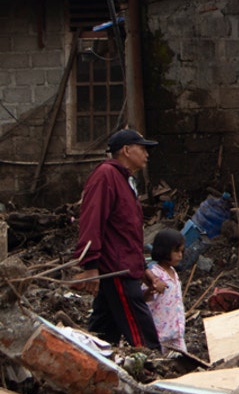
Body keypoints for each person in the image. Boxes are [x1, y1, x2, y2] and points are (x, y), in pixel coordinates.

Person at [72, 128, 164, 349]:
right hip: (116, 268)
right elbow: (93, 220)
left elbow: (127, 232)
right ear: (126, 150)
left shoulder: (125, 181)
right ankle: (156, 370)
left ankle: (91, 368)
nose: (146, 155)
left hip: (124, 265)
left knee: (103, 333)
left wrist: (142, 268)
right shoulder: (106, 175)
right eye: (142, 149)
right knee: (142, 332)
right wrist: (91, 266)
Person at [146, 228, 188, 353]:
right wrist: (151, 289)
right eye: (176, 251)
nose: (180, 255)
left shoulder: (174, 273)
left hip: (176, 332)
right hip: (161, 335)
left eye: (181, 251)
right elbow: (144, 298)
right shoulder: (155, 274)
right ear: (164, 251)